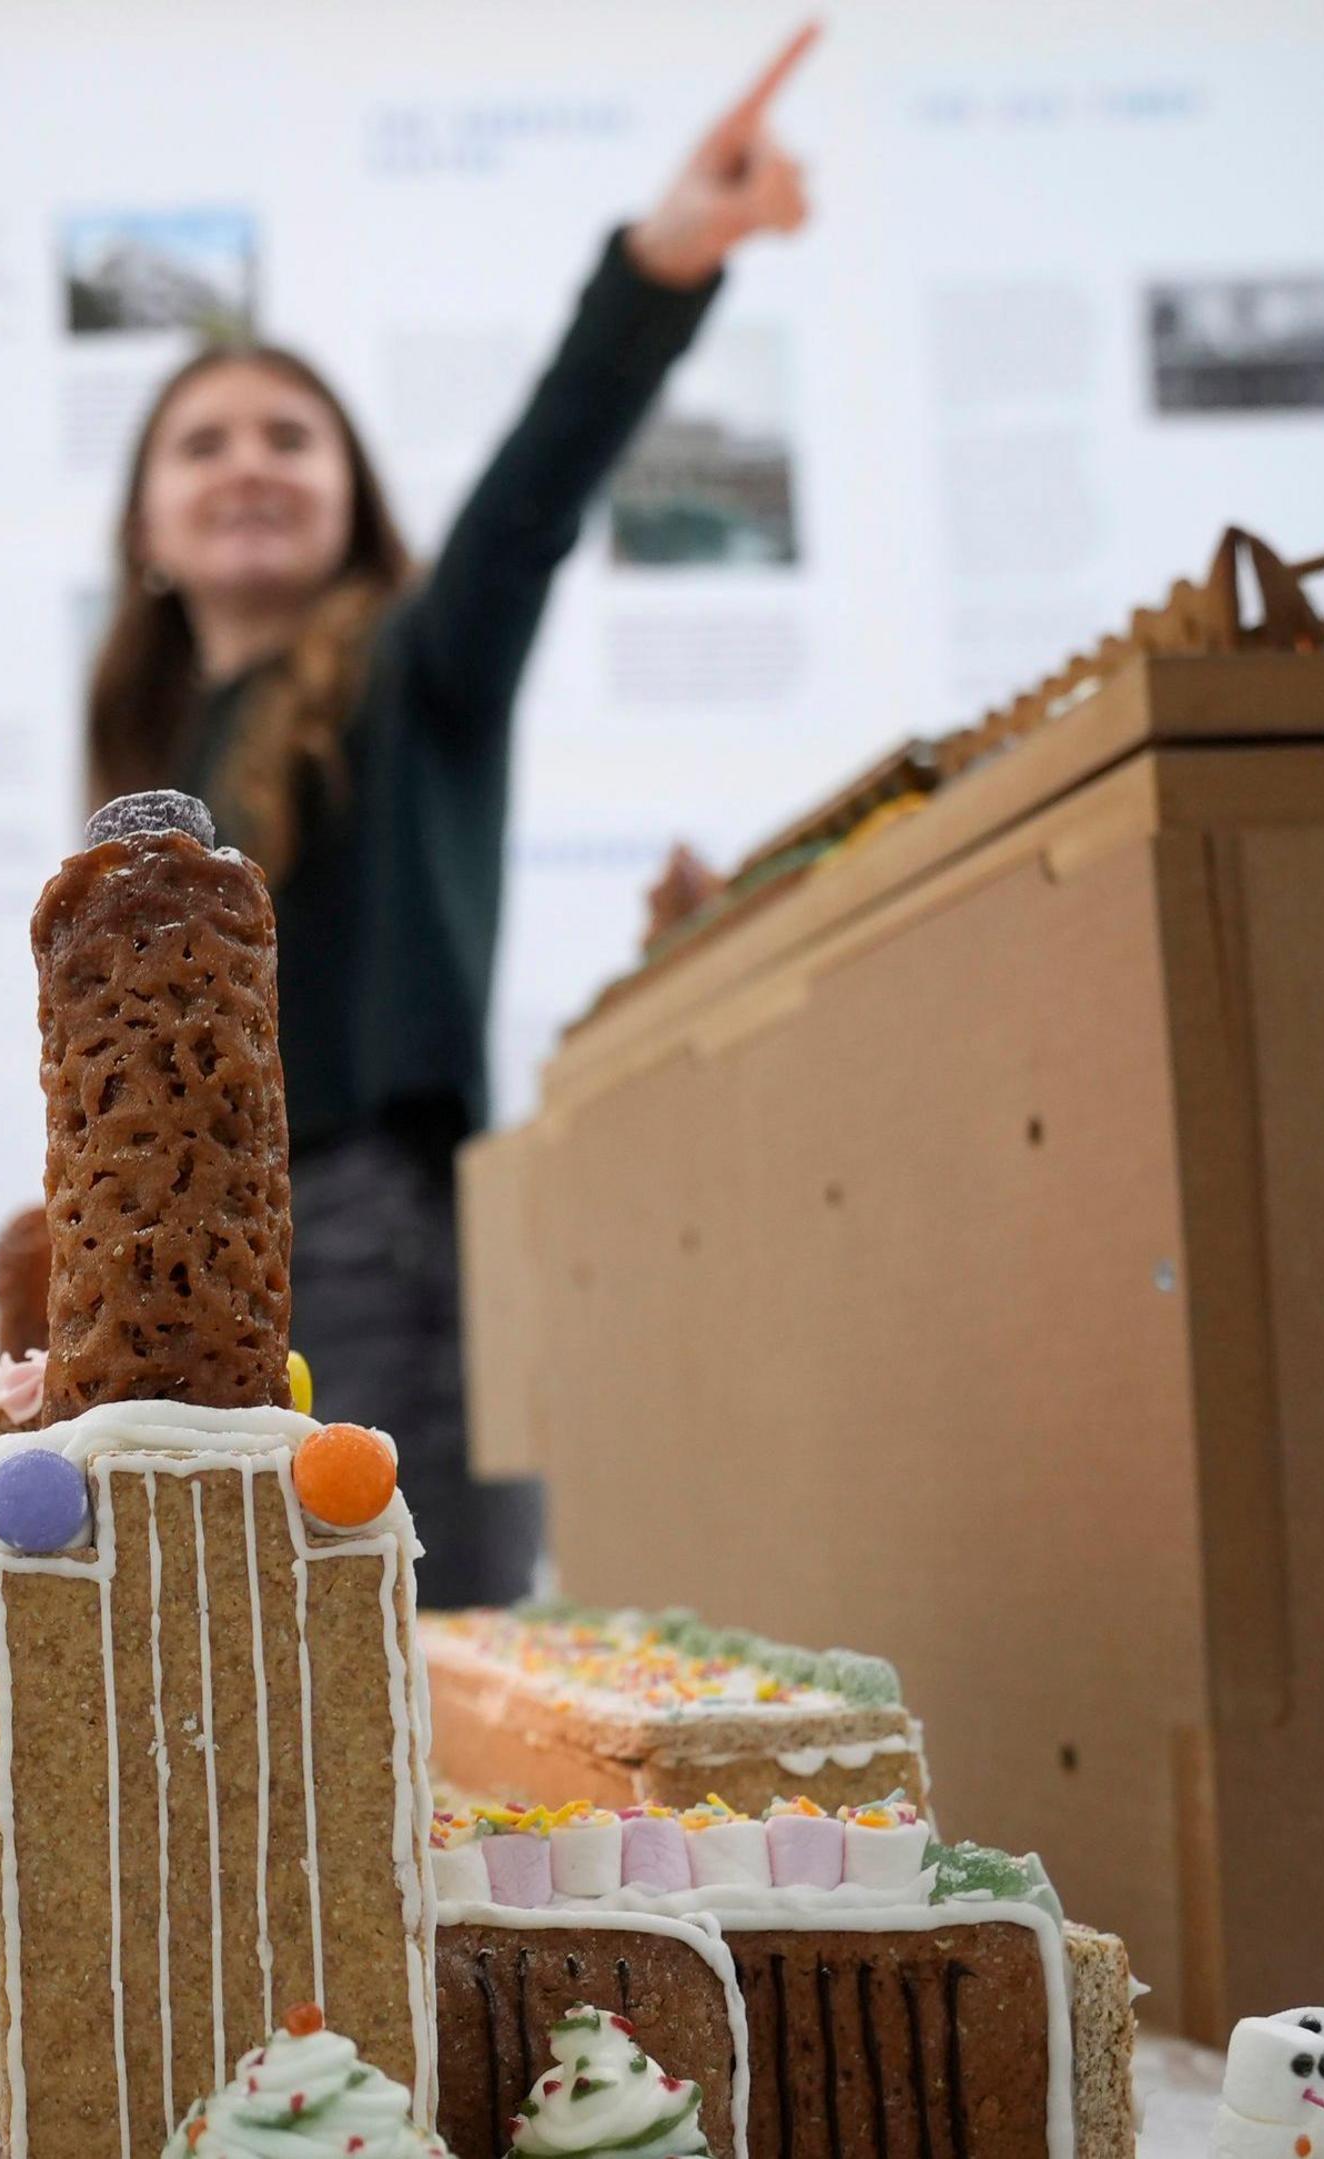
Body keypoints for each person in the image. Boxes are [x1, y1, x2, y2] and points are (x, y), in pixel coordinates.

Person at [79, 28, 818, 1606]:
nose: (251, 464)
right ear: (145, 522)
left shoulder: (416, 672)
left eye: (292, 435)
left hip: (377, 1236)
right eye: (204, 441)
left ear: (353, 493)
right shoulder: (152, 764)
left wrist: (662, 263)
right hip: (193, 1254)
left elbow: (535, 496)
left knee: (414, 1647)